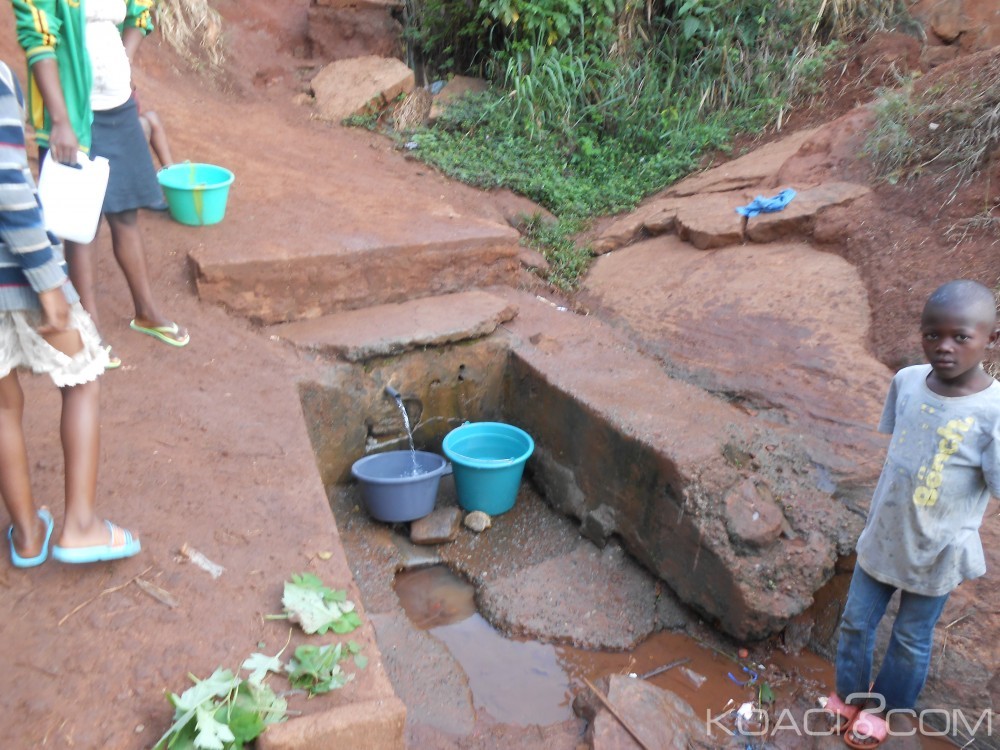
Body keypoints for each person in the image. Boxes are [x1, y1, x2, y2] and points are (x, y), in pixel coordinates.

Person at [825, 279, 1000, 748]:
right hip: (884, 532)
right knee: (856, 621)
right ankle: (849, 695)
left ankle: (886, 709)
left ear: (990, 338)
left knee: (909, 637)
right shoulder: (905, 381)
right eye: (932, 334)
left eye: (960, 336)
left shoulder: (993, 411)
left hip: (937, 548)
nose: (944, 347)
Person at [1, 60, 140, 566]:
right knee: (81, 380)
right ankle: (79, 525)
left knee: (1, 404)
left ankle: (26, 535)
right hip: (18, 275)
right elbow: (9, 190)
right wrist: (49, 283)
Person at [11, 0, 189, 370]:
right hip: (73, 113)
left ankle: (146, 311)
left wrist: (123, 63)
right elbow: (38, 40)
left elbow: (139, 14)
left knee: (126, 215)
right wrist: (60, 120)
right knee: (82, 226)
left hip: (118, 104)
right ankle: (88, 325)